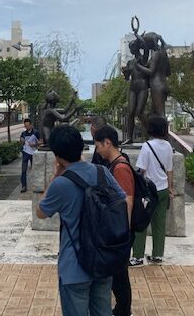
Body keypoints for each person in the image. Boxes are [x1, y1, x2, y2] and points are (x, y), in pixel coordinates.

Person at [36, 125, 126, 316]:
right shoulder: (102, 172)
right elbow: (122, 200)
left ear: (57, 156)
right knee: (103, 312)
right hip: (103, 259)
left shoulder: (60, 184)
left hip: (74, 266)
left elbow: (41, 212)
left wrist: (55, 175)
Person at [93, 125, 135, 316]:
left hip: (120, 234)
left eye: (98, 146)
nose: (97, 150)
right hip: (118, 232)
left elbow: (127, 201)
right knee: (118, 276)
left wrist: (121, 234)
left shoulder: (120, 167)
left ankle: (123, 311)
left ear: (107, 143)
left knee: (120, 278)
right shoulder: (114, 164)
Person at [130, 116, 175, 266]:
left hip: (149, 191)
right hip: (162, 189)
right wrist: (171, 188)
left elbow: (142, 170)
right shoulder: (168, 146)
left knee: (141, 221)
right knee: (159, 223)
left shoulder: (147, 146)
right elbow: (169, 170)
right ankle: (157, 255)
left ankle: (137, 257)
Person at [136, 32, 171, 117]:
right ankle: (154, 129)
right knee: (153, 114)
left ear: (149, 44)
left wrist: (139, 66)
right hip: (164, 84)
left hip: (156, 86)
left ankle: (163, 130)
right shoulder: (164, 53)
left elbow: (151, 71)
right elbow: (168, 72)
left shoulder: (155, 54)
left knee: (160, 114)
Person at [19, 118, 41, 193]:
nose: (27, 127)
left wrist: (34, 144)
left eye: (28, 126)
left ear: (31, 125)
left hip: (33, 153)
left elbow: (41, 142)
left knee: (34, 169)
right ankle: (24, 186)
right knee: (23, 170)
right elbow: (21, 142)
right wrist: (21, 141)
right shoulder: (23, 133)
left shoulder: (36, 132)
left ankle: (36, 184)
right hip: (25, 153)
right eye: (25, 126)